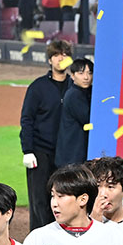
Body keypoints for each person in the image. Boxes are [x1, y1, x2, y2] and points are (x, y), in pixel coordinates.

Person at [19, 40, 72, 229]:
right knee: (39, 200)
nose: (61, 58)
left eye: (65, 54)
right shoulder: (38, 87)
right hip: (40, 152)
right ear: (50, 60)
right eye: (57, 55)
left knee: (65, 200)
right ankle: (37, 241)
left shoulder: (74, 87)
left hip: (66, 154)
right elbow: (27, 119)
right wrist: (27, 150)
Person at [55, 58, 93, 168]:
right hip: (72, 158)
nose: (86, 77)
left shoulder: (85, 92)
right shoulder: (74, 95)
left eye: (89, 73)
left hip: (75, 156)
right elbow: (87, 119)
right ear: (72, 76)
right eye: (81, 73)